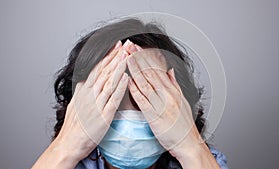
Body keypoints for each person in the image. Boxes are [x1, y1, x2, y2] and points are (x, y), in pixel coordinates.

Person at [32, 18, 229, 169]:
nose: (130, 117)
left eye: (148, 91)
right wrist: (64, 149)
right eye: (110, 95)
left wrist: (191, 148)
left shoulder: (204, 161)